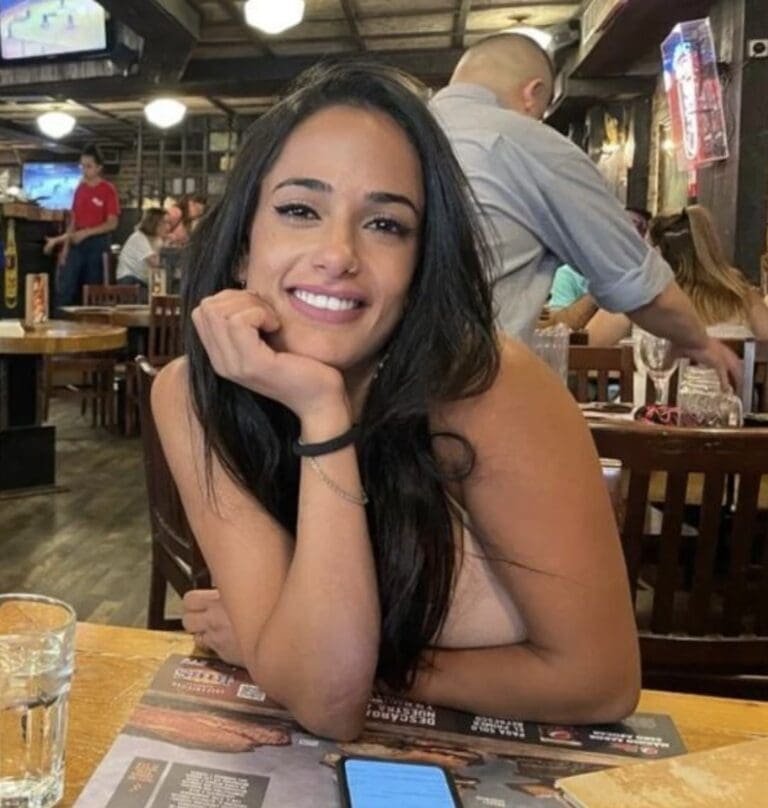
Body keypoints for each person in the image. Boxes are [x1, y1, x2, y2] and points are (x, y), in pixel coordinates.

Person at [152, 62, 640, 742]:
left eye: (386, 224)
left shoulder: (488, 388)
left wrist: (311, 654)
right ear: (241, 246)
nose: (339, 253)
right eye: (299, 210)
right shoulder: (191, 393)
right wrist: (321, 407)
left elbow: (599, 681)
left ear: (418, 265)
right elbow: (324, 701)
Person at [429, 34, 739, 387]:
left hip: (373, 399)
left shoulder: (396, 131)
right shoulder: (528, 141)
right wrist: (699, 341)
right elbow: (636, 283)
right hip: (468, 393)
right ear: (533, 93)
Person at [587, 205, 768, 345]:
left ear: (656, 254)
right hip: (730, 393)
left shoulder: (641, 295)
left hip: (650, 394)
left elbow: (588, 346)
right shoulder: (743, 298)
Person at [46, 143, 120, 309]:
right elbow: (73, 219)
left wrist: (87, 233)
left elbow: (112, 223)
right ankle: (62, 327)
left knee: (92, 290)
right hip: (76, 243)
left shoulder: (108, 190)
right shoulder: (80, 189)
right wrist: (65, 249)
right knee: (65, 288)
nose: (84, 170)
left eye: (89, 166)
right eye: (82, 166)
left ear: (99, 168)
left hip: (97, 244)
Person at [115, 207, 170, 293]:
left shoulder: (157, 239)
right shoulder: (139, 238)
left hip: (144, 280)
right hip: (130, 280)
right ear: (155, 224)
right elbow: (155, 263)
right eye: (165, 223)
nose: (168, 227)